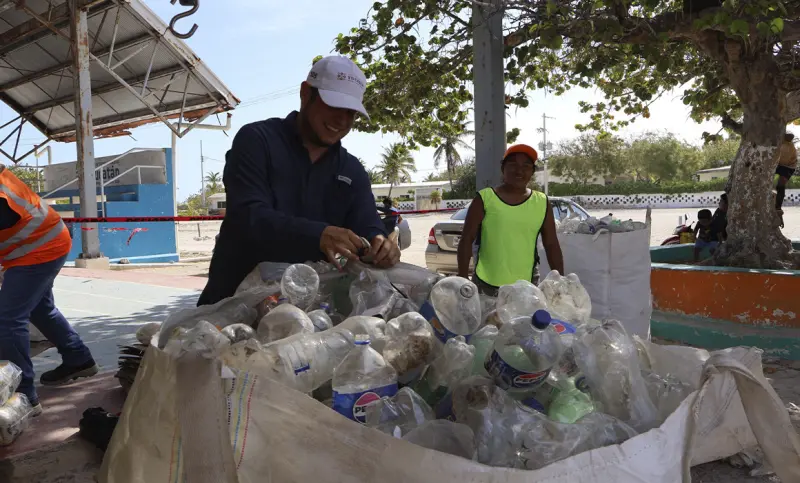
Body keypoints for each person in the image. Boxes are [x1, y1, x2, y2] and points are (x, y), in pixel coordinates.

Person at [198, 56, 401, 306]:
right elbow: (248, 216)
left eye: (351, 113)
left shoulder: (352, 170)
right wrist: (318, 235)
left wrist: (380, 243)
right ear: (305, 93)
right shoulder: (257, 141)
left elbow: (368, 223)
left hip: (310, 313)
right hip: (233, 307)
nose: (341, 120)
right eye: (333, 105)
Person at [0, 166, 98, 414]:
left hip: (39, 249)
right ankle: (78, 358)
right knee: (40, 309)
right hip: (42, 243)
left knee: (8, 319)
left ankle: (23, 396)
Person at [456, 144, 564, 296]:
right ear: (503, 168)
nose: (519, 170)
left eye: (526, 166)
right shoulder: (485, 198)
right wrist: (462, 279)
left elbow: (551, 244)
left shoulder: (541, 202)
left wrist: (560, 282)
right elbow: (466, 239)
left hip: (526, 286)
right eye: (513, 165)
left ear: (532, 171)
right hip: (486, 285)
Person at [776, 132, 796, 228]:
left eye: (790, 138)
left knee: (781, 184)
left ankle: (778, 207)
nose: (789, 138)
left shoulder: (791, 146)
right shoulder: (780, 140)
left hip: (789, 166)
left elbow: (785, 159)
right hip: (778, 164)